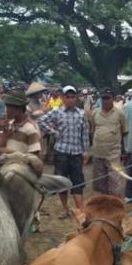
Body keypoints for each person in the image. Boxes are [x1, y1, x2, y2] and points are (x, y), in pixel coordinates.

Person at [38, 85, 90, 216]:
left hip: (76, 152)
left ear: (76, 98)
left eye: (73, 97)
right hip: (61, 151)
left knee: (78, 181)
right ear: (63, 98)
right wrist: (54, 132)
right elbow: (41, 121)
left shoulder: (81, 114)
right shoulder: (57, 111)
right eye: (68, 97)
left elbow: (84, 133)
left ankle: (79, 209)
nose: (70, 100)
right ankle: (65, 208)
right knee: (61, 181)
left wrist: (86, 151)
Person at [91, 88, 127, 196]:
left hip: (113, 153)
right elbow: (93, 130)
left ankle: (114, 203)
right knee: (100, 182)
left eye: (108, 98)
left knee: (114, 181)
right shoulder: (95, 113)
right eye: (103, 98)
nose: (105, 101)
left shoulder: (120, 113)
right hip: (98, 153)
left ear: (113, 99)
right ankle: (103, 203)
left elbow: (124, 131)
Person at [2, 89, 41, 157]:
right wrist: (4, 131)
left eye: (9, 108)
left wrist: (11, 153)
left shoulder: (31, 129)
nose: (6, 111)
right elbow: (4, 145)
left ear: (19, 109)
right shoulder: (10, 124)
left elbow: (34, 156)